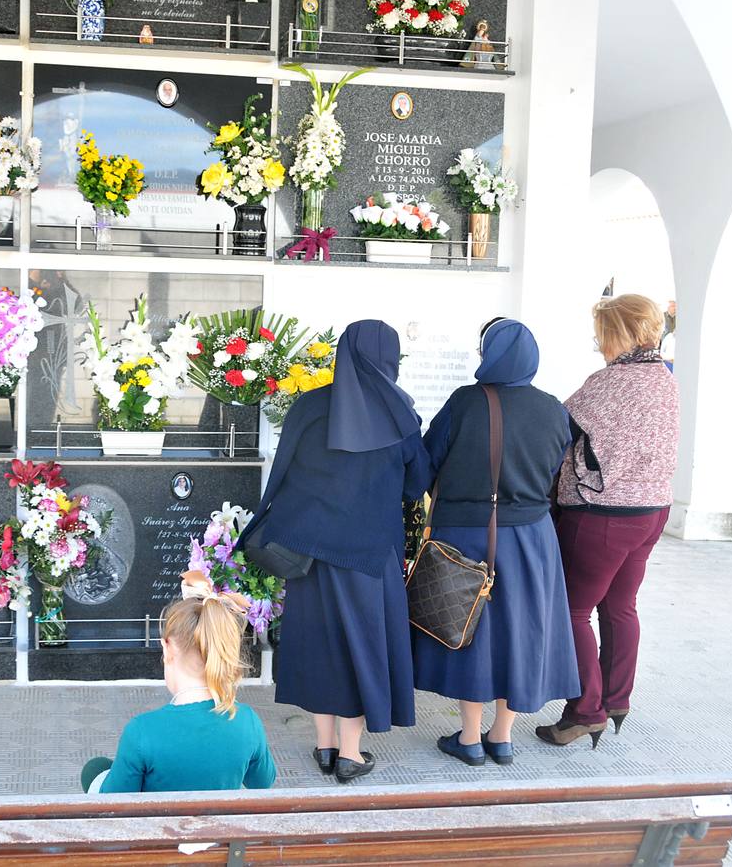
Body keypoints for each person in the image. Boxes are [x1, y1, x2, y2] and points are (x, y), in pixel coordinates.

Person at [240, 319, 430, 783]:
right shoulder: (399, 417)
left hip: (309, 556)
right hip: (369, 558)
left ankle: (324, 747)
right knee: (362, 650)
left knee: (319, 648)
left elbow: (283, 473)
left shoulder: (308, 407)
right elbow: (418, 484)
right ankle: (350, 753)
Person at [412, 318, 580, 766]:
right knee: (519, 631)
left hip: (467, 533)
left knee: (469, 629)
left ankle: (468, 738)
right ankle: (501, 737)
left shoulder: (467, 402)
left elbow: (428, 462)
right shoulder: (554, 409)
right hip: (531, 538)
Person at [537, 294, 679, 747]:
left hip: (602, 516)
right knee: (620, 606)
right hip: (652, 511)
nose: (599, 344)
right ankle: (617, 699)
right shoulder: (664, 378)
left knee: (574, 611)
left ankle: (586, 711)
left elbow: (558, 428)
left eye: (603, 334)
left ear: (620, 332)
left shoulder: (607, 383)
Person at [81, 572, 275, 793]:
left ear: (168, 647)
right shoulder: (247, 720)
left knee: (94, 769)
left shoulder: (142, 731)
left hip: (160, 828)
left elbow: (112, 804)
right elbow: (262, 781)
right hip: (221, 826)